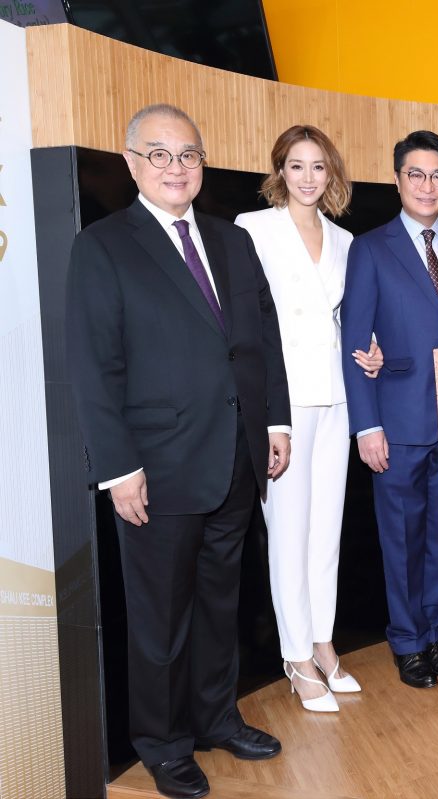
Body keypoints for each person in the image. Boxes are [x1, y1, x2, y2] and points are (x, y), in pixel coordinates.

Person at [67, 104, 290, 799]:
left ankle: (216, 716)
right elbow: (91, 366)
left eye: (187, 154)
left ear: (202, 164)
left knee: (222, 604)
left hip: (234, 457)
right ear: (131, 162)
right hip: (155, 470)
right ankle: (162, 742)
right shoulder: (102, 246)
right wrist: (117, 466)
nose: (175, 167)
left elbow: (264, 339)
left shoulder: (233, 241)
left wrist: (276, 421)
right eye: (158, 154)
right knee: (160, 616)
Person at [234, 125, 382, 712]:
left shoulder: (346, 241)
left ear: (332, 175)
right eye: (297, 166)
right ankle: (294, 654)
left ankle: (322, 642)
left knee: (325, 532)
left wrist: (368, 351)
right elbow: (250, 328)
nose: (308, 177)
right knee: (288, 534)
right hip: (283, 407)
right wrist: (269, 415)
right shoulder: (254, 230)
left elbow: (347, 320)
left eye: (319, 166)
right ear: (280, 171)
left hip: (337, 398)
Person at [340, 131, 438, 689]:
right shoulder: (370, 248)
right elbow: (353, 341)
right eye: (416, 174)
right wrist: (366, 425)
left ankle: (433, 630)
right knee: (401, 535)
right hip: (396, 422)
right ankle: (406, 639)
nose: (427, 185)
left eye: (437, 175)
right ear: (397, 180)